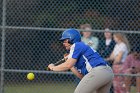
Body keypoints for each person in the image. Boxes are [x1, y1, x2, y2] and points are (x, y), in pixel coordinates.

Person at [48, 29, 114, 93]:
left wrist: (53, 67)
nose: (63, 43)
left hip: (98, 71)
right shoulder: (79, 52)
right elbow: (83, 77)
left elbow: (68, 65)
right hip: (107, 73)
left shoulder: (76, 45)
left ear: (72, 39)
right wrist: (70, 65)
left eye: (65, 40)